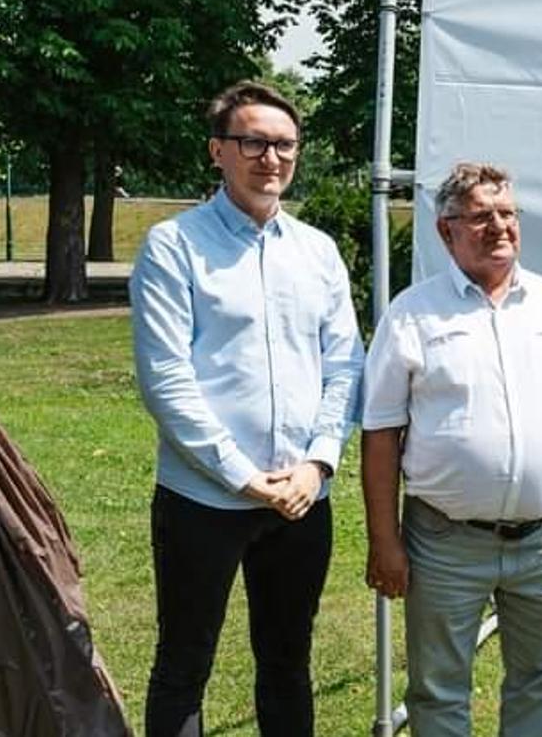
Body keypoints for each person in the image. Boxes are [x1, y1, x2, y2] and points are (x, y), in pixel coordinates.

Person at [130, 81, 363, 737]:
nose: (271, 157)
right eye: (253, 142)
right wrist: (241, 475)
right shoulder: (174, 246)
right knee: (184, 664)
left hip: (300, 501)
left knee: (288, 663)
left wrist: (318, 465)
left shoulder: (317, 252)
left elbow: (345, 364)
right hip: (204, 500)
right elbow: (166, 378)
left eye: (284, 143)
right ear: (218, 151)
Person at [360, 163, 542, 737]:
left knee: (538, 681)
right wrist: (383, 540)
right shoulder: (412, 313)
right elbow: (381, 436)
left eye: (507, 214)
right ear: (446, 229)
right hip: (444, 543)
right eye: (481, 216)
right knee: (438, 691)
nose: (499, 226)